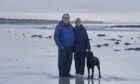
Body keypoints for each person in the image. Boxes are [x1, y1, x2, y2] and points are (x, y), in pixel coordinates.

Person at [54, 13, 75, 78]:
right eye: (65, 17)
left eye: (68, 18)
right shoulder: (59, 26)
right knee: (62, 61)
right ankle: (62, 74)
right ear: (62, 18)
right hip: (63, 47)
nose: (66, 19)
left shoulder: (71, 26)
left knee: (69, 61)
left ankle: (67, 73)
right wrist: (60, 45)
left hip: (71, 47)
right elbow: (56, 36)